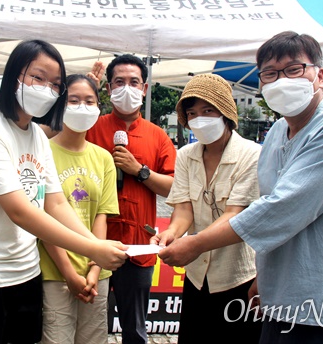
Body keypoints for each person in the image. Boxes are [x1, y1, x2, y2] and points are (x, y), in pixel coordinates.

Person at [158, 31, 323, 343]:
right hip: (283, 295)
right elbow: (268, 205)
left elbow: (279, 210)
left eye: (293, 69)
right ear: (261, 84)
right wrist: (266, 279)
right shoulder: (278, 132)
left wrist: (196, 244)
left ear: (319, 76)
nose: (281, 81)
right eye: (270, 74)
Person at [0, 40, 128, 344]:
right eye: (38, 78)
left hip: (25, 276)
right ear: (14, 75)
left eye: (55, 84)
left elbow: (55, 203)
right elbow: (20, 211)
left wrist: (94, 244)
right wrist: (93, 250)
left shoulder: (37, 137)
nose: (47, 89)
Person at [151, 73, 262, 343]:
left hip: (238, 277)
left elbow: (235, 214)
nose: (199, 119)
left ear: (225, 112)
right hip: (197, 276)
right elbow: (184, 209)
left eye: (207, 110)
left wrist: (192, 244)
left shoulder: (252, 154)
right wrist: (172, 234)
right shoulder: (186, 155)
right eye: (191, 113)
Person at [86, 54, 176, 344]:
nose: (127, 88)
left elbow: (174, 188)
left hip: (138, 245)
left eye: (134, 82)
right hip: (93, 242)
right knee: (89, 324)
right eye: (119, 82)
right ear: (109, 89)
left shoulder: (158, 136)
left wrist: (140, 171)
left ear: (145, 89)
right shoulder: (90, 128)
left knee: (135, 328)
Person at [39, 73, 119, 344]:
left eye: (89, 101)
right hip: (55, 270)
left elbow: (101, 216)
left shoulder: (104, 157)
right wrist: (69, 274)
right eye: (74, 100)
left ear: (99, 107)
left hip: (97, 272)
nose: (82, 107)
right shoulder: (42, 152)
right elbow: (43, 219)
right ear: (60, 104)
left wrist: (95, 268)